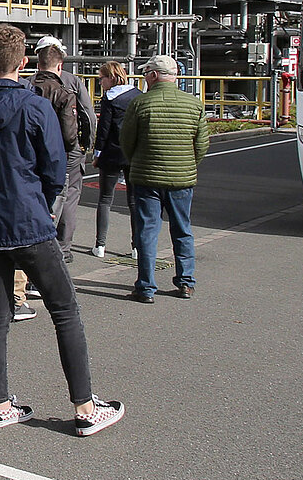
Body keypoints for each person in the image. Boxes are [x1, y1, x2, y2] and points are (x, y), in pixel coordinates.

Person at [0, 24, 124, 437]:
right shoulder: (34, 107)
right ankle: (85, 407)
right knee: (65, 310)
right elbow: (56, 167)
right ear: (24, 63)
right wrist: (46, 205)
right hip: (28, 219)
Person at [120, 54, 209, 302]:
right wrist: (188, 164)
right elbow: (201, 144)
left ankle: (146, 287)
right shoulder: (194, 104)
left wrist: (137, 160)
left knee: (147, 231)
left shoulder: (140, 104)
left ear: (154, 75)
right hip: (182, 179)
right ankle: (186, 283)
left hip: (146, 177)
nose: (145, 78)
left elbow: (126, 142)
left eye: (146, 73)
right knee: (182, 230)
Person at [30, 36, 95, 258]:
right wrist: (86, 145)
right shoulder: (71, 84)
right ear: (60, 62)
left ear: (38, 62)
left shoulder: (29, 84)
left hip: (34, 152)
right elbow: (87, 115)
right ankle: (63, 248)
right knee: (68, 196)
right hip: (66, 153)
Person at [90, 60, 138, 257]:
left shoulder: (109, 98)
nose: (100, 82)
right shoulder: (137, 95)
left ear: (112, 77)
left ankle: (100, 245)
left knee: (105, 199)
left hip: (111, 152)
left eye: (102, 78)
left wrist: (97, 153)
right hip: (133, 153)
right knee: (134, 201)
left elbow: (104, 129)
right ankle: (137, 247)